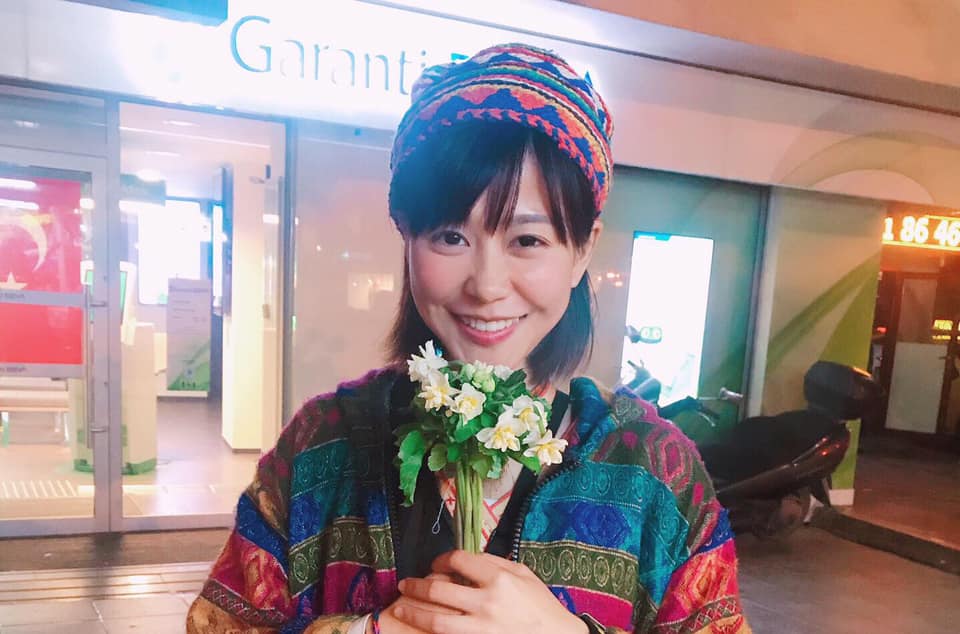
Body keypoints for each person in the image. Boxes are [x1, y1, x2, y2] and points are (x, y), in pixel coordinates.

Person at [187, 43, 750, 634]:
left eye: (527, 241)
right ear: (407, 237)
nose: (486, 286)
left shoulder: (655, 471)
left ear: (582, 250)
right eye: (451, 237)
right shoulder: (321, 445)